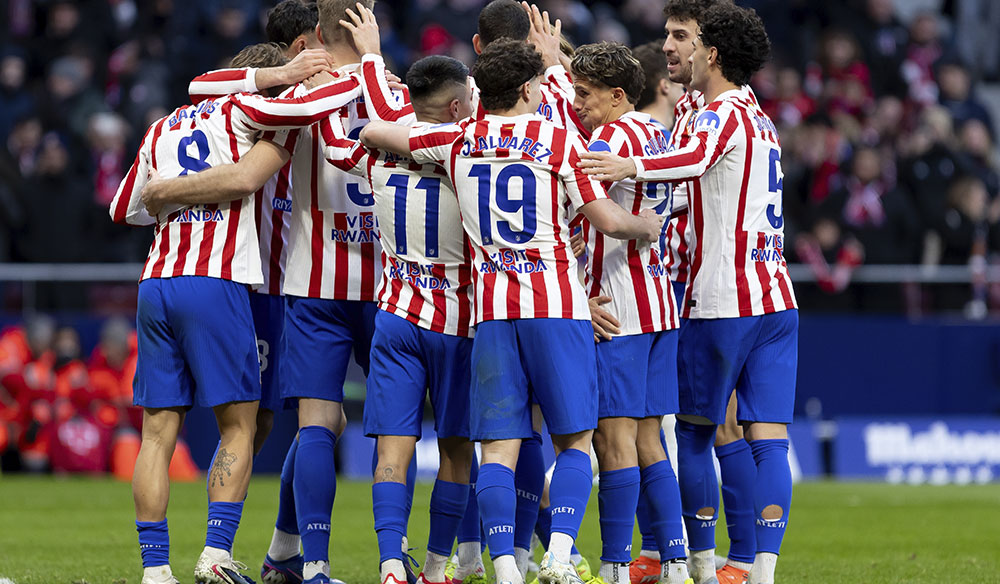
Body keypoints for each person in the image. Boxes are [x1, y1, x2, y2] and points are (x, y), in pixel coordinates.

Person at [361, 38, 663, 584]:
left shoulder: (458, 139)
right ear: (527, 88)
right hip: (557, 307)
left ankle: (504, 569)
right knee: (574, 443)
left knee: (497, 450)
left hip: (492, 315)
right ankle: (558, 556)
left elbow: (377, 133)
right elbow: (607, 219)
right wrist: (647, 225)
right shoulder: (558, 138)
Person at [143, 5, 411, 583]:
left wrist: (164, 191)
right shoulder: (385, 91)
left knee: (300, 424)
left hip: (292, 279)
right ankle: (397, 558)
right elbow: (246, 171)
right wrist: (368, 65)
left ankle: (288, 556)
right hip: (353, 282)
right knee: (304, 424)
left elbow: (203, 128)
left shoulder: (292, 102)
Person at [110, 42, 365, 584]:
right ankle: (215, 556)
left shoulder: (161, 128)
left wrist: (172, 200)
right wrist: (364, 64)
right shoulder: (244, 110)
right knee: (239, 426)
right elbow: (307, 112)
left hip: (156, 281)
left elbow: (122, 208)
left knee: (156, 434)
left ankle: (155, 570)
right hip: (216, 279)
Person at [579, 5, 797, 584]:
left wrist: (628, 166)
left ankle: (698, 563)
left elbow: (693, 162)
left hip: (723, 300)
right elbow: (700, 191)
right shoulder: (761, 120)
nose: (681, 50)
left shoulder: (721, 113)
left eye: (689, 41)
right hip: (776, 296)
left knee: (696, 434)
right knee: (768, 440)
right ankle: (756, 567)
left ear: (712, 54)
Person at [322, 54, 477, 584]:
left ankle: (391, 563)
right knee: (456, 447)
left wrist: (342, 84)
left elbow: (335, 144)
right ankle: (433, 568)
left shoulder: (375, 156)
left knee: (392, 445)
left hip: (396, 316)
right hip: (458, 321)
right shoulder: (469, 151)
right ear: (454, 106)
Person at [569, 41, 691, 584]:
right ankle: (676, 561)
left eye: (585, 94)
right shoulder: (656, 133)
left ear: (617, 95)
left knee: (612, 442)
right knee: (649, 441)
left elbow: (585, 210)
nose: (577, 104)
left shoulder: (610, 139)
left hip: (618, 308)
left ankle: (616, 564)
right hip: (659, 303)